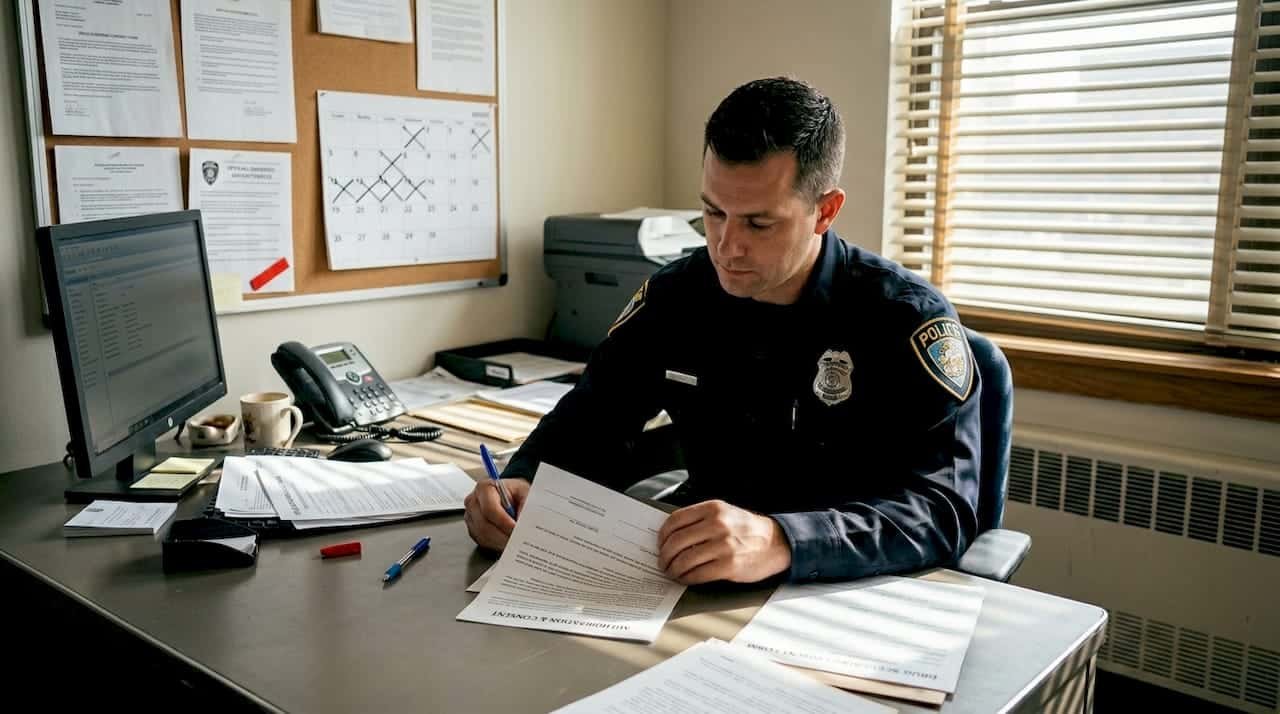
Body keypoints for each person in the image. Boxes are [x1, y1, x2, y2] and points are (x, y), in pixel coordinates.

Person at [464, 77, 981, 586]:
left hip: (845, 591)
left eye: (759, 224)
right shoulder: (677, 298)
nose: (726, 247)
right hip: (698, 588)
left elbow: (943, 509)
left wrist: (785, 540)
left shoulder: (901, 317)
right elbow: (591, 421)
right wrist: (522, 481)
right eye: (713, 212)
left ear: (824, 211)